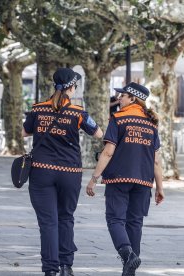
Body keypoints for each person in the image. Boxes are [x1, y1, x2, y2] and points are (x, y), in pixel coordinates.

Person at [22, 68, 103, 276]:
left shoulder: (38, 109)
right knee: (66, 217)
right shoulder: (77, 112)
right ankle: (66, 266)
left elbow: (24, 132)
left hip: (41, 172)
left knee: (48, 222)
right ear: (72, 87)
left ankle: (50, 269)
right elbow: (98, 133)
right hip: (69, 172)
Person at [86, 82, 164, 276]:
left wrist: (94, 178)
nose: (118, 98)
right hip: (144, 182)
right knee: (135, 223)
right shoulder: (151, 124)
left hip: (118, 179)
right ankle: (129, 270)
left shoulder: (118, 119)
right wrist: (160, 188)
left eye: (122, 95)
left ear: (133, 98)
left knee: (115, 219)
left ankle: (127, 254)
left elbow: (108, 152)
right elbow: (156, 161)